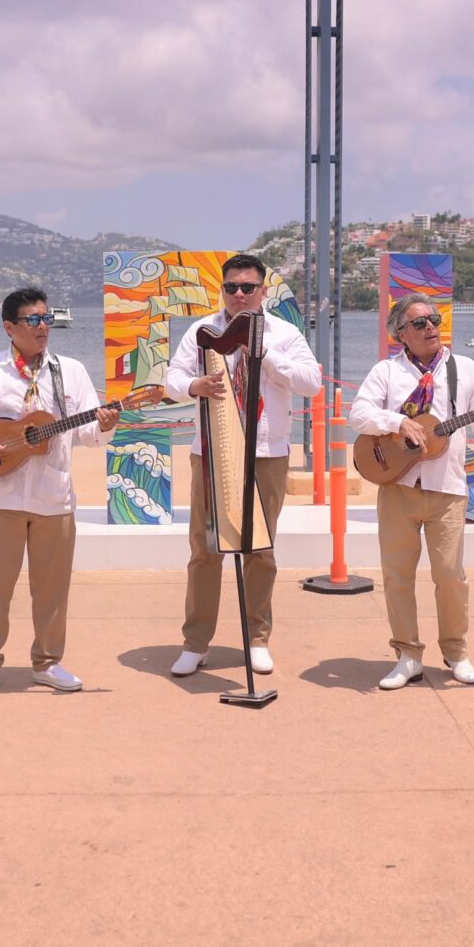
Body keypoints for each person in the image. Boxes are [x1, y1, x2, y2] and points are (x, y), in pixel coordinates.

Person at [0, 286, 120, 696]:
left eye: (47, 319)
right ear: (10, 327)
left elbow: (89, 434)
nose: (44, 327)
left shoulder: (70, 370)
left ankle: (48, 662)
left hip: (54, 497)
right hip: (1, 496)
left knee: (53, 590)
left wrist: (107, 423)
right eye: (33, 320)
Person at [160, 254, 324, 678]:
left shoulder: (285, 334)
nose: (238, 294)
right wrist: (194, 385)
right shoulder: (202, 332)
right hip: (211, 450)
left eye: (247, 287)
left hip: (267, 453)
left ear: (263, 291)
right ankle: (196, 642)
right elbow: (172, 379)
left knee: (261, 549)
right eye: (231, 287)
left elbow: (312, 384)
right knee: (205, 547)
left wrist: (266, 355)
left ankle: (257, 639)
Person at [348, 296, 474, 689]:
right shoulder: (387, 371)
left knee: (451, 575)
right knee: (398, 575)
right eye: (419, 324)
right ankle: (407, 654)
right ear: (400, 333)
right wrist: (398, 422)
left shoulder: (464, 368)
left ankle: (456, 652)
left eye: (434, 320)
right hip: (398, 484)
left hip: (448, 488)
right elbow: (358, 414)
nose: (430, 328)